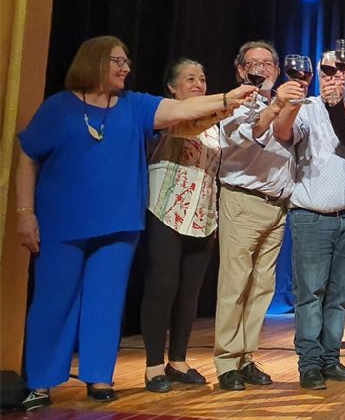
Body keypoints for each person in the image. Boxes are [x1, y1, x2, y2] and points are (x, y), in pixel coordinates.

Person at [15, 36, 255, 410]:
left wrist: (228, 99)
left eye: (127, 62)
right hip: (61, 223)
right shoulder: (58, 108)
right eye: (117, 61)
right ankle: (42, 381)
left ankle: (98, 377)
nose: (126, 68)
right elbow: (28, 156)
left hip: (118, 224)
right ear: (93, 62)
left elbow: (179, 112)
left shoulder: (134, 106)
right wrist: (25, 213)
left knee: (106, 301)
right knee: (53, 301)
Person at [213, 40, 305, 391]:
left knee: (261, 288)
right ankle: (225, 362)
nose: (262, 69)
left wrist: (285, 103)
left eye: (268, 63)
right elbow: (247, 135)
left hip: (277, 206)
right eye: (255, 63)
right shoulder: (235, 103)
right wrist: (278, 103)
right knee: (234, 284)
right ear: (240, 69)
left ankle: (246, 356)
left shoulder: (277, 103)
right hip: (243, 200)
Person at [272, 52, 345, 390]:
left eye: (340, 69)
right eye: (326, 69)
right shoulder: (307, 107)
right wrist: (292, 102)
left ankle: (331, 358)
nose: (333, 76)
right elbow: (282, 131)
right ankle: (310, 364)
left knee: (339, 297)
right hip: (312, 216)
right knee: (310, 294)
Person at [140, 58, 231, 392]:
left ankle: (178, 360)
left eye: (203, 78)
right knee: (162, 286)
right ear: (172, 86)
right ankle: (152, 365)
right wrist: (228, 102)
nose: (198, 84)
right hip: (166, 208)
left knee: (190, 291)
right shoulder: (166, 113)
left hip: (202, 213)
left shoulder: (212, 124)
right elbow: (186, 126)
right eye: (189, 78)